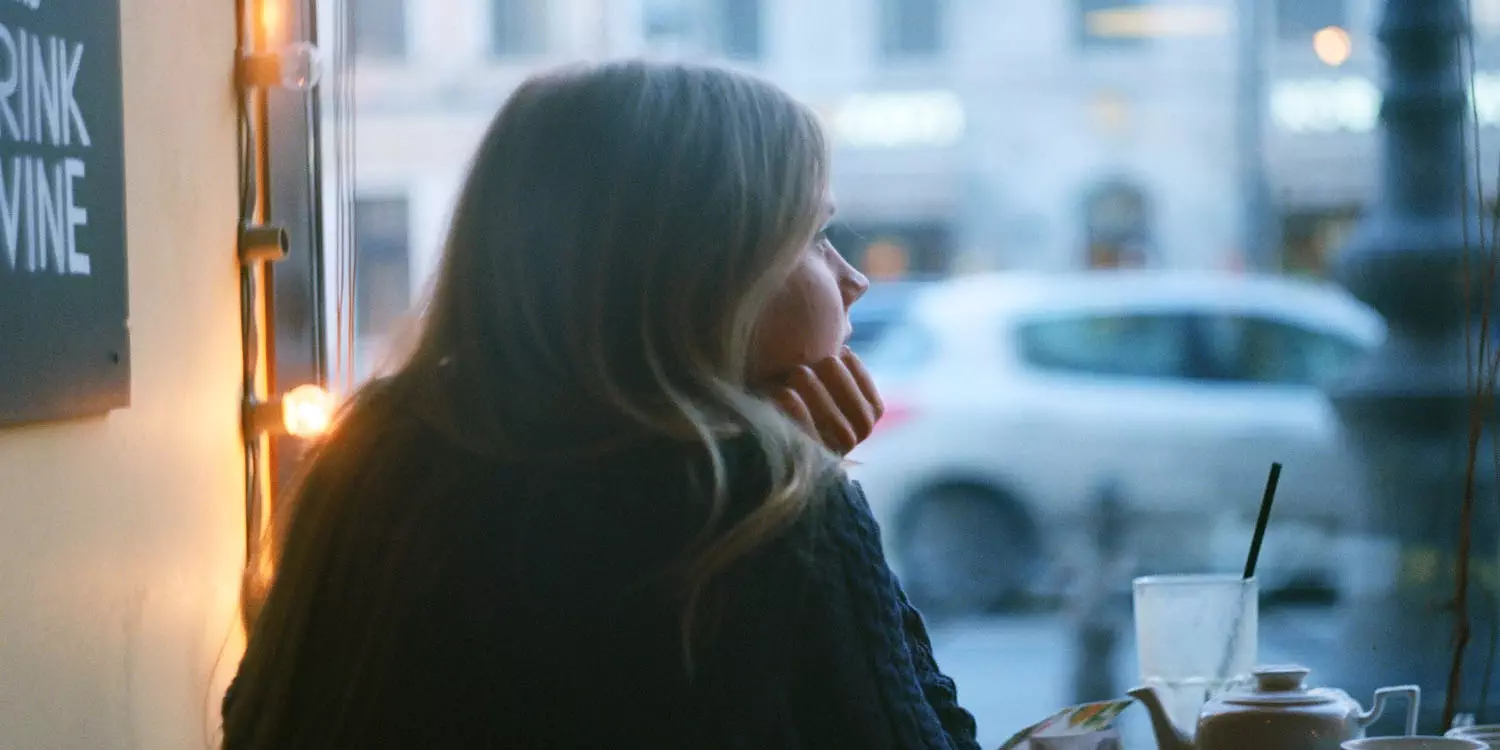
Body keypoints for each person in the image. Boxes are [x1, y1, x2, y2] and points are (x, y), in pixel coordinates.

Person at [221, 60, 980, 749]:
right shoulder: (749, 512)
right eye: (814, 236)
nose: (855, 279)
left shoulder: (378, 454)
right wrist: (811, 487)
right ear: (706, 275)